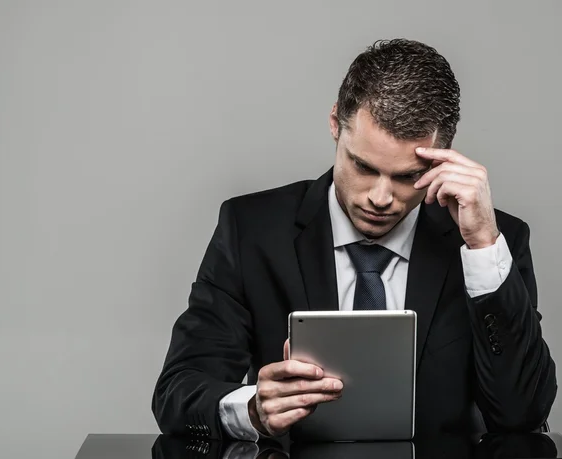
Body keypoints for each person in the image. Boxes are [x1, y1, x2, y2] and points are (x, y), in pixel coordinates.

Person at [152, 39, 557, 441]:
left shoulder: (491, 241)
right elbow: (177, 392)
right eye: (363, 166)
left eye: (406, 176)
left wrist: (483, 245)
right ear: (335, 124)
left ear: (444, 155)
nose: (381, 198)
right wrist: (253, 408)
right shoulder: (252, 231)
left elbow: (523, 412)